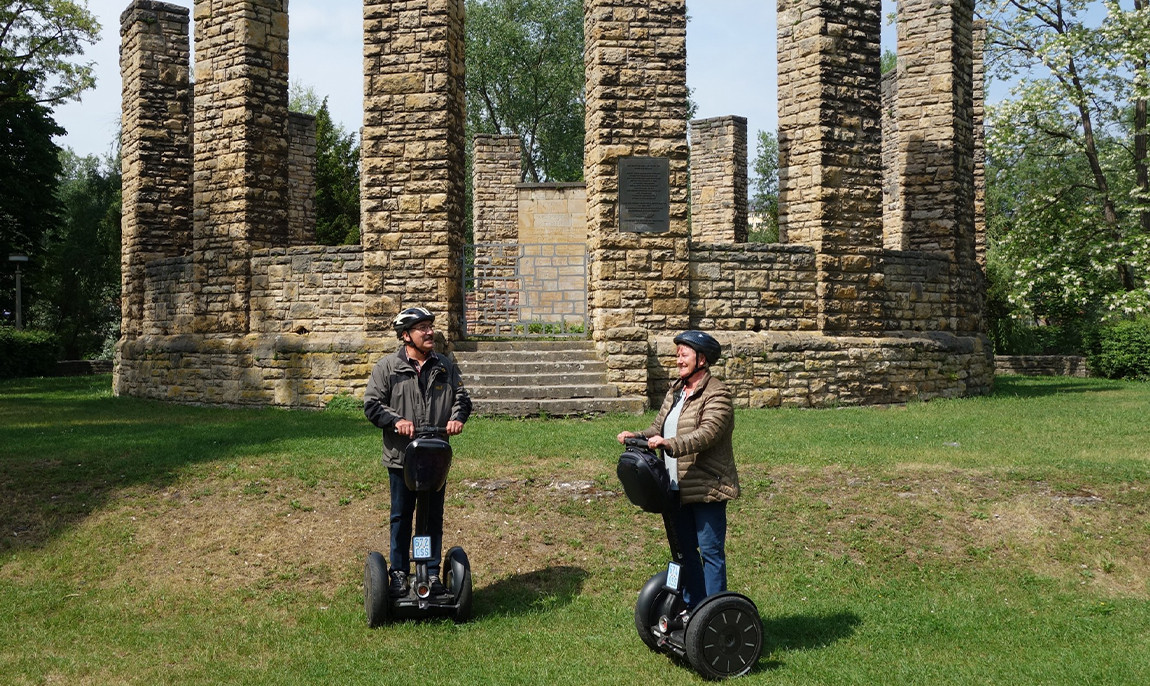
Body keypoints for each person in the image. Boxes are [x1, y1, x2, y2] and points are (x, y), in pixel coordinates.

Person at [616, 330, 739, 618]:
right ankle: (692, 608)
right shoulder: (676, 391)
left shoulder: (717, 393)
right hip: (675, 487)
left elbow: (707, 434)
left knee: (710, 554)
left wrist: (669, 444)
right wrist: (637, 435)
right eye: (678, 353)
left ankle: (715, 616)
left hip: (707, 487)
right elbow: (657, 428)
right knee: (683, 553)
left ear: (702, 359)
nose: (678, 359)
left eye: (684, 354)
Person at [364, 306, 472, 598]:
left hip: (435, 457)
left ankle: (431, 572)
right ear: (405, 336)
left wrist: (457, 418)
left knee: (431, 515)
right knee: (401, 516)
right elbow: (372, 405)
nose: (429, 332)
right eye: (422, 327)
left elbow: (462, 398)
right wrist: (396, 421)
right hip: (402, 458)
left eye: (430, 326)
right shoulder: (387, 368)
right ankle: (399, 573)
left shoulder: (445, 366)